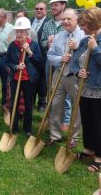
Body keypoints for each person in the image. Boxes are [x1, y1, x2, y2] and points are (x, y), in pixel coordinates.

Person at [46, 8, 85, 148]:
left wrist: (76, 49)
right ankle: (55, 135)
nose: (65, 22)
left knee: (77, 107)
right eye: (64, 19)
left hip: (75, 76)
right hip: (59, 74)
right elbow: (50, 57)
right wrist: (59, 59)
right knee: (55, 104)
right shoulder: (58, 36)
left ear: (77, 19)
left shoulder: (84, 35)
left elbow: (88, 59)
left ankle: (73, 137)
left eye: (69, 19)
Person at [71, 7, 101, 172]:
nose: (81, 28)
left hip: (98, 90)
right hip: (84, 88)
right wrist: (78, 71)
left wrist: (95, 48)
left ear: (92, 23)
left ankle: (99, 156)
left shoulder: (95, 41)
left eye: (83, 24)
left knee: (98, 123)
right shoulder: (84, 40)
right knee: (87, 121)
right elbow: (75, 61)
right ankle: (89, 148)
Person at [6, 17, 42, 137]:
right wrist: (16, 67)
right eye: (18, 31)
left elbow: (39, 62)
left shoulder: (34, 45)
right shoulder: (12, 45)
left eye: (22, 31)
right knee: (14, 103)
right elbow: (7, 62)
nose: (19, 34)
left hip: (29, 79)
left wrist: (30, 52)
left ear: (28, 32)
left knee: (28, 104)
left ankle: (28, 129)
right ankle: (14, 127)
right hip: (15, 78)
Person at [41, 0, 71, 131]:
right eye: (52, 5)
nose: (52, 7)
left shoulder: (68, 24)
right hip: (51, 61)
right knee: (51, 89)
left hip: (66, 62)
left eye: (56, 5)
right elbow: (41, 43)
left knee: (66, 91)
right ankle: (52, 115)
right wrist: (47, 42)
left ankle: (66, 120)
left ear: (63, 5)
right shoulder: (48, 25)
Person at [31, 2, 50, 112]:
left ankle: (42, 102)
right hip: (30, 56)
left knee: (42, 81)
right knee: (31, 80)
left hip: (43, 57)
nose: (39, 10)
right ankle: (31, 100)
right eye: (37, 8)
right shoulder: (29, 21)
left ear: (45, 11)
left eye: (41, 9)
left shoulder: (48, 23)